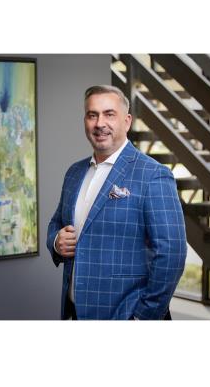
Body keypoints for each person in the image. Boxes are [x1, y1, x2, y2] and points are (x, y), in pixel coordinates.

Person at [46, 85, 187, 320]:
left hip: (126, 316)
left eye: (109, 114)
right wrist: (55, 242)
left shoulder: (153, 174)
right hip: (76, 314)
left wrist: (143, 318)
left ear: (127, 121)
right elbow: (56, 223)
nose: (100, 123)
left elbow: (171, 254)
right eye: (92, 115)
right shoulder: (74, 173)